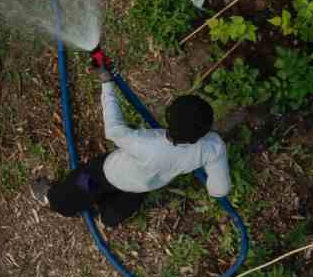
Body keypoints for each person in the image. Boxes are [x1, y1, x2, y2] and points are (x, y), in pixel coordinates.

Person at [32, 59, 231, 226]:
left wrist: (107, 83)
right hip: (141, 187)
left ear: (168, 117)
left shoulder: (146, 143)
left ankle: (52, 198)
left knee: (80, 187)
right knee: (114, 214)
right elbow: (218, 190)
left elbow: (114, 130)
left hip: (106, 175)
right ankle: (108, 216)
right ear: (205, 130)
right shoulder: (213, 147)